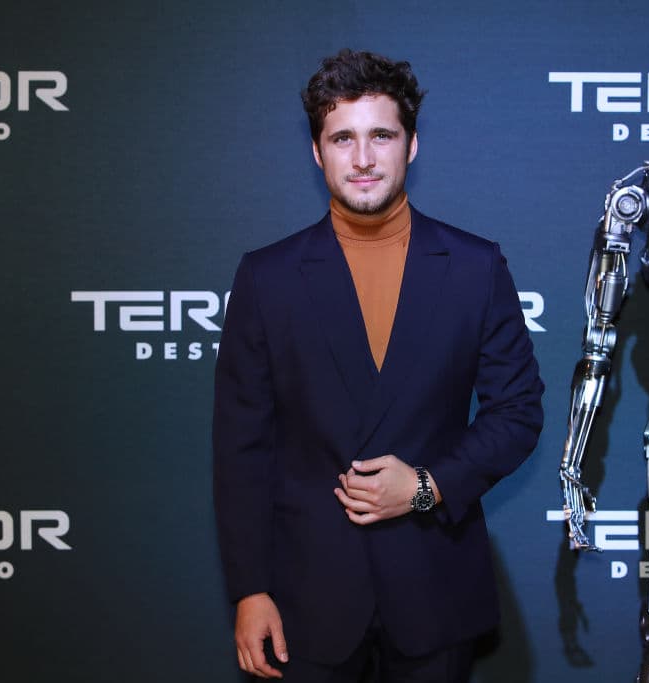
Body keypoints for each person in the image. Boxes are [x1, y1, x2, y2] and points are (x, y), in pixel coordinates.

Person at [213, 49, 544, 682]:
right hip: (304, 600)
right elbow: (240, 447)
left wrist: (427, 486)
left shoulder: (476, 266)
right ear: (318, 152)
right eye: (343, 138)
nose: (363, 158)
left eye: (381, 136)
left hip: (434, 591)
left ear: (411, 145)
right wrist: (250, 590)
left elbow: (518, 411)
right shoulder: (267, 277)